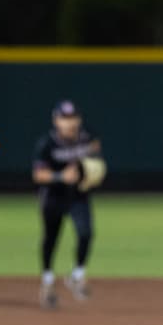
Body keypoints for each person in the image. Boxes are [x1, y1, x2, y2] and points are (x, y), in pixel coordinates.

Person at [32, 100, 102, 308]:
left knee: (86, 233)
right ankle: (47, 282)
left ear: (79, 120)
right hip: (53, 196)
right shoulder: (46, 144)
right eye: (64, 118)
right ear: (56, 120)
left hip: (78, 195)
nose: (69, 123)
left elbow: (96, 154)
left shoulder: (88, 136)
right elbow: (38, 175)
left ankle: (77, 275)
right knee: (51, 239)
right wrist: (60, 176)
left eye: (72, 118)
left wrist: (94, 172)